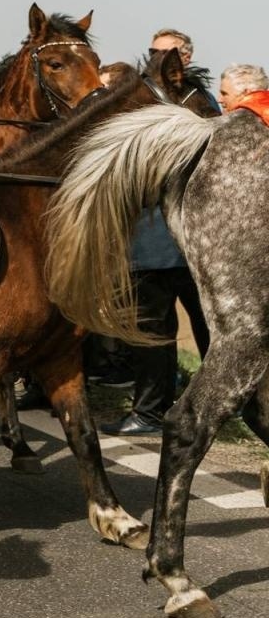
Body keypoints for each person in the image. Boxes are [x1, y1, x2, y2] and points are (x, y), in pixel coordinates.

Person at [100, 29, 218, 434]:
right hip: (153, 237)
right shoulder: (151, 99)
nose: (154, 58)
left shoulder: (196, 102)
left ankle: (200, 405)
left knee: (198, 326)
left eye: (164, 53)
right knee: (157, 329)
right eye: (151, 51)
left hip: (175, 237)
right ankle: (154, 409)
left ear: (183, 58)